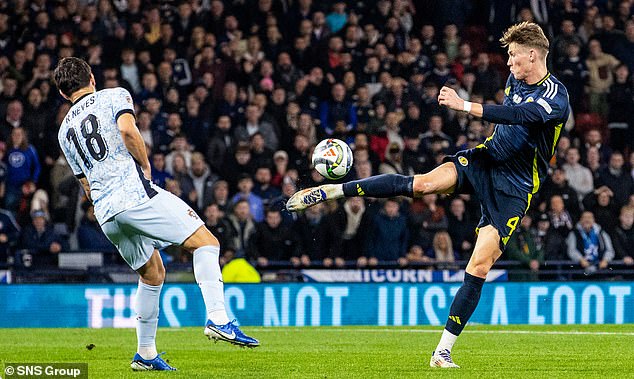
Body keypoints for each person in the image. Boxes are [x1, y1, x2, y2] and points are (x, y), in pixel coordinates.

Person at [287, 22, 569, 368]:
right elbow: (507, 118)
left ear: (532, 55)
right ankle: (333, 189)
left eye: (512, 57)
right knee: (421, 184)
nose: (508, 64)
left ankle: (442, 351)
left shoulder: (556, 96)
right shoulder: (515, 80)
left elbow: (518, 115)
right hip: (485, 160)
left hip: (514, 186)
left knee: (479, 265)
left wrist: (465, 106)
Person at [53, 57, 258, 372]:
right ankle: (219, 318)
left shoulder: (64, 130)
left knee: (152, 274)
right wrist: (146, 166)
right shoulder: (114, 95)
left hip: (106, 212)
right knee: (206, 242)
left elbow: (84, 183)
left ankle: (145, 354)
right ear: (91, 78)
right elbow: (127, 130)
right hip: (133, 194)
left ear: (63, 93)